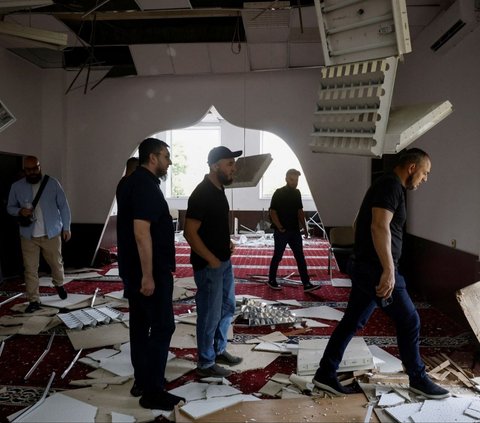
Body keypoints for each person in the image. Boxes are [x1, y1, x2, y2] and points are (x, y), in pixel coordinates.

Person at [313, 148, 450, 400]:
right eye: (425, 173)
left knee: (352, 321)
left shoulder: (383, 184)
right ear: (411, 167)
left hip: (367, 267)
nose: (425, 178)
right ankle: (418, 379)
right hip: (378, 270)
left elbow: (358, 224)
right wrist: (388, 269)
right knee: (410, 321)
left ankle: (325, 373)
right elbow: (378, 225)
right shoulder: (391, 186)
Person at [116, 138, 184, 411]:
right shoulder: (144, 185)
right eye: (166, 156)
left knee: (140, 325)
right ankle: (153, 391)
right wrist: (148, 276)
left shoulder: (130, 182)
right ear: (153, 158)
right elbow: (141, 233)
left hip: (133, 269)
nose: (169, 162)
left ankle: (143, 380)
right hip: (149, 271)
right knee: (163, 326)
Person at [184, 146, 244, 378]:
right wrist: (211, 258)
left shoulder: (218, 190)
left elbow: (211, 226)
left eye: (233, 164)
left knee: (227, 308)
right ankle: (205, 364)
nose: (234, 168)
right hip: (210, 266)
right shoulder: (202, 193)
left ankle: (218, 350)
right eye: (229, 164)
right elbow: (190, 232)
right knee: (209, 314)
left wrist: (225, 242)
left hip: (223, 262)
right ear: (214, 166)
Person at [7, 156, 71, 313]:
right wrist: (19, 211)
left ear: (40, 167)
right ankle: (33, 300)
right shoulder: (17, 187)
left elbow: (63, 206)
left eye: (35, 168)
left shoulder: (52, 183)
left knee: (56, 264)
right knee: (30, 269)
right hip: (28, 235)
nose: (33, 172)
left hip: (52, 233)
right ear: (24, 170)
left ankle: (59, 283)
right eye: (29, 170)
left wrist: (67, 228)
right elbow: (10, 207)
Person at [267, 168, 319, 293]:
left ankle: (306, 283)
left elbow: (300, 212)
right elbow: (272, 211)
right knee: (278, 256)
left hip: (295, 231)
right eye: (292, 179)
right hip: (282, 232)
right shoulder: (278, 193)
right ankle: (271, 280)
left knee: (300, 257)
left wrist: (305, 229)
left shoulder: (297, 193)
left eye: (296, 180)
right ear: (286, 179)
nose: (294, 182)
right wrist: (279, 227)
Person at [115, 156, 139, 298]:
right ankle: (130, 289)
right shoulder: (130, 184)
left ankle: (128, 288)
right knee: (131, 260)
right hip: (130, 229)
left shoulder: (122, 183)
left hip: (124, 228)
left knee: (125, 258)